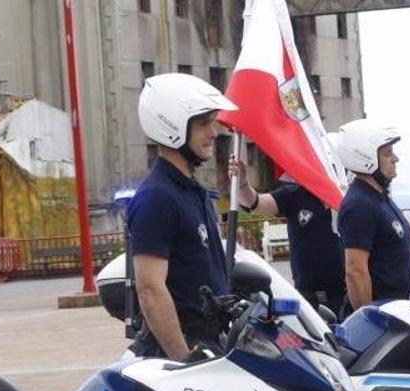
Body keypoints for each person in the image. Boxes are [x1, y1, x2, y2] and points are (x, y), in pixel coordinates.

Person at [126, 73, 237, 360]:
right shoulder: (157, 198)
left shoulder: (192, 192)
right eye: (202, 124)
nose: (212, 132)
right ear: (171, 127)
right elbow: (150, 289)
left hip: (209, 344)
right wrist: (185, 361)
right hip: (178, 354)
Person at [233, 159, 346, 315]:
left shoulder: (347, 200)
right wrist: (242, 183)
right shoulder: (294, 194)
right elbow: (255, 203)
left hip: (344, 295)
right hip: (308, 298)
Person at [335, 119, 410, 312]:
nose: (395, 158)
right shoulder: (359, 205)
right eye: (387, 153)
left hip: (399, 308)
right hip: (382, 316)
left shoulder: (379, 197)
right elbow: (355, 271)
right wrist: (369, 319)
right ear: (366, 159)